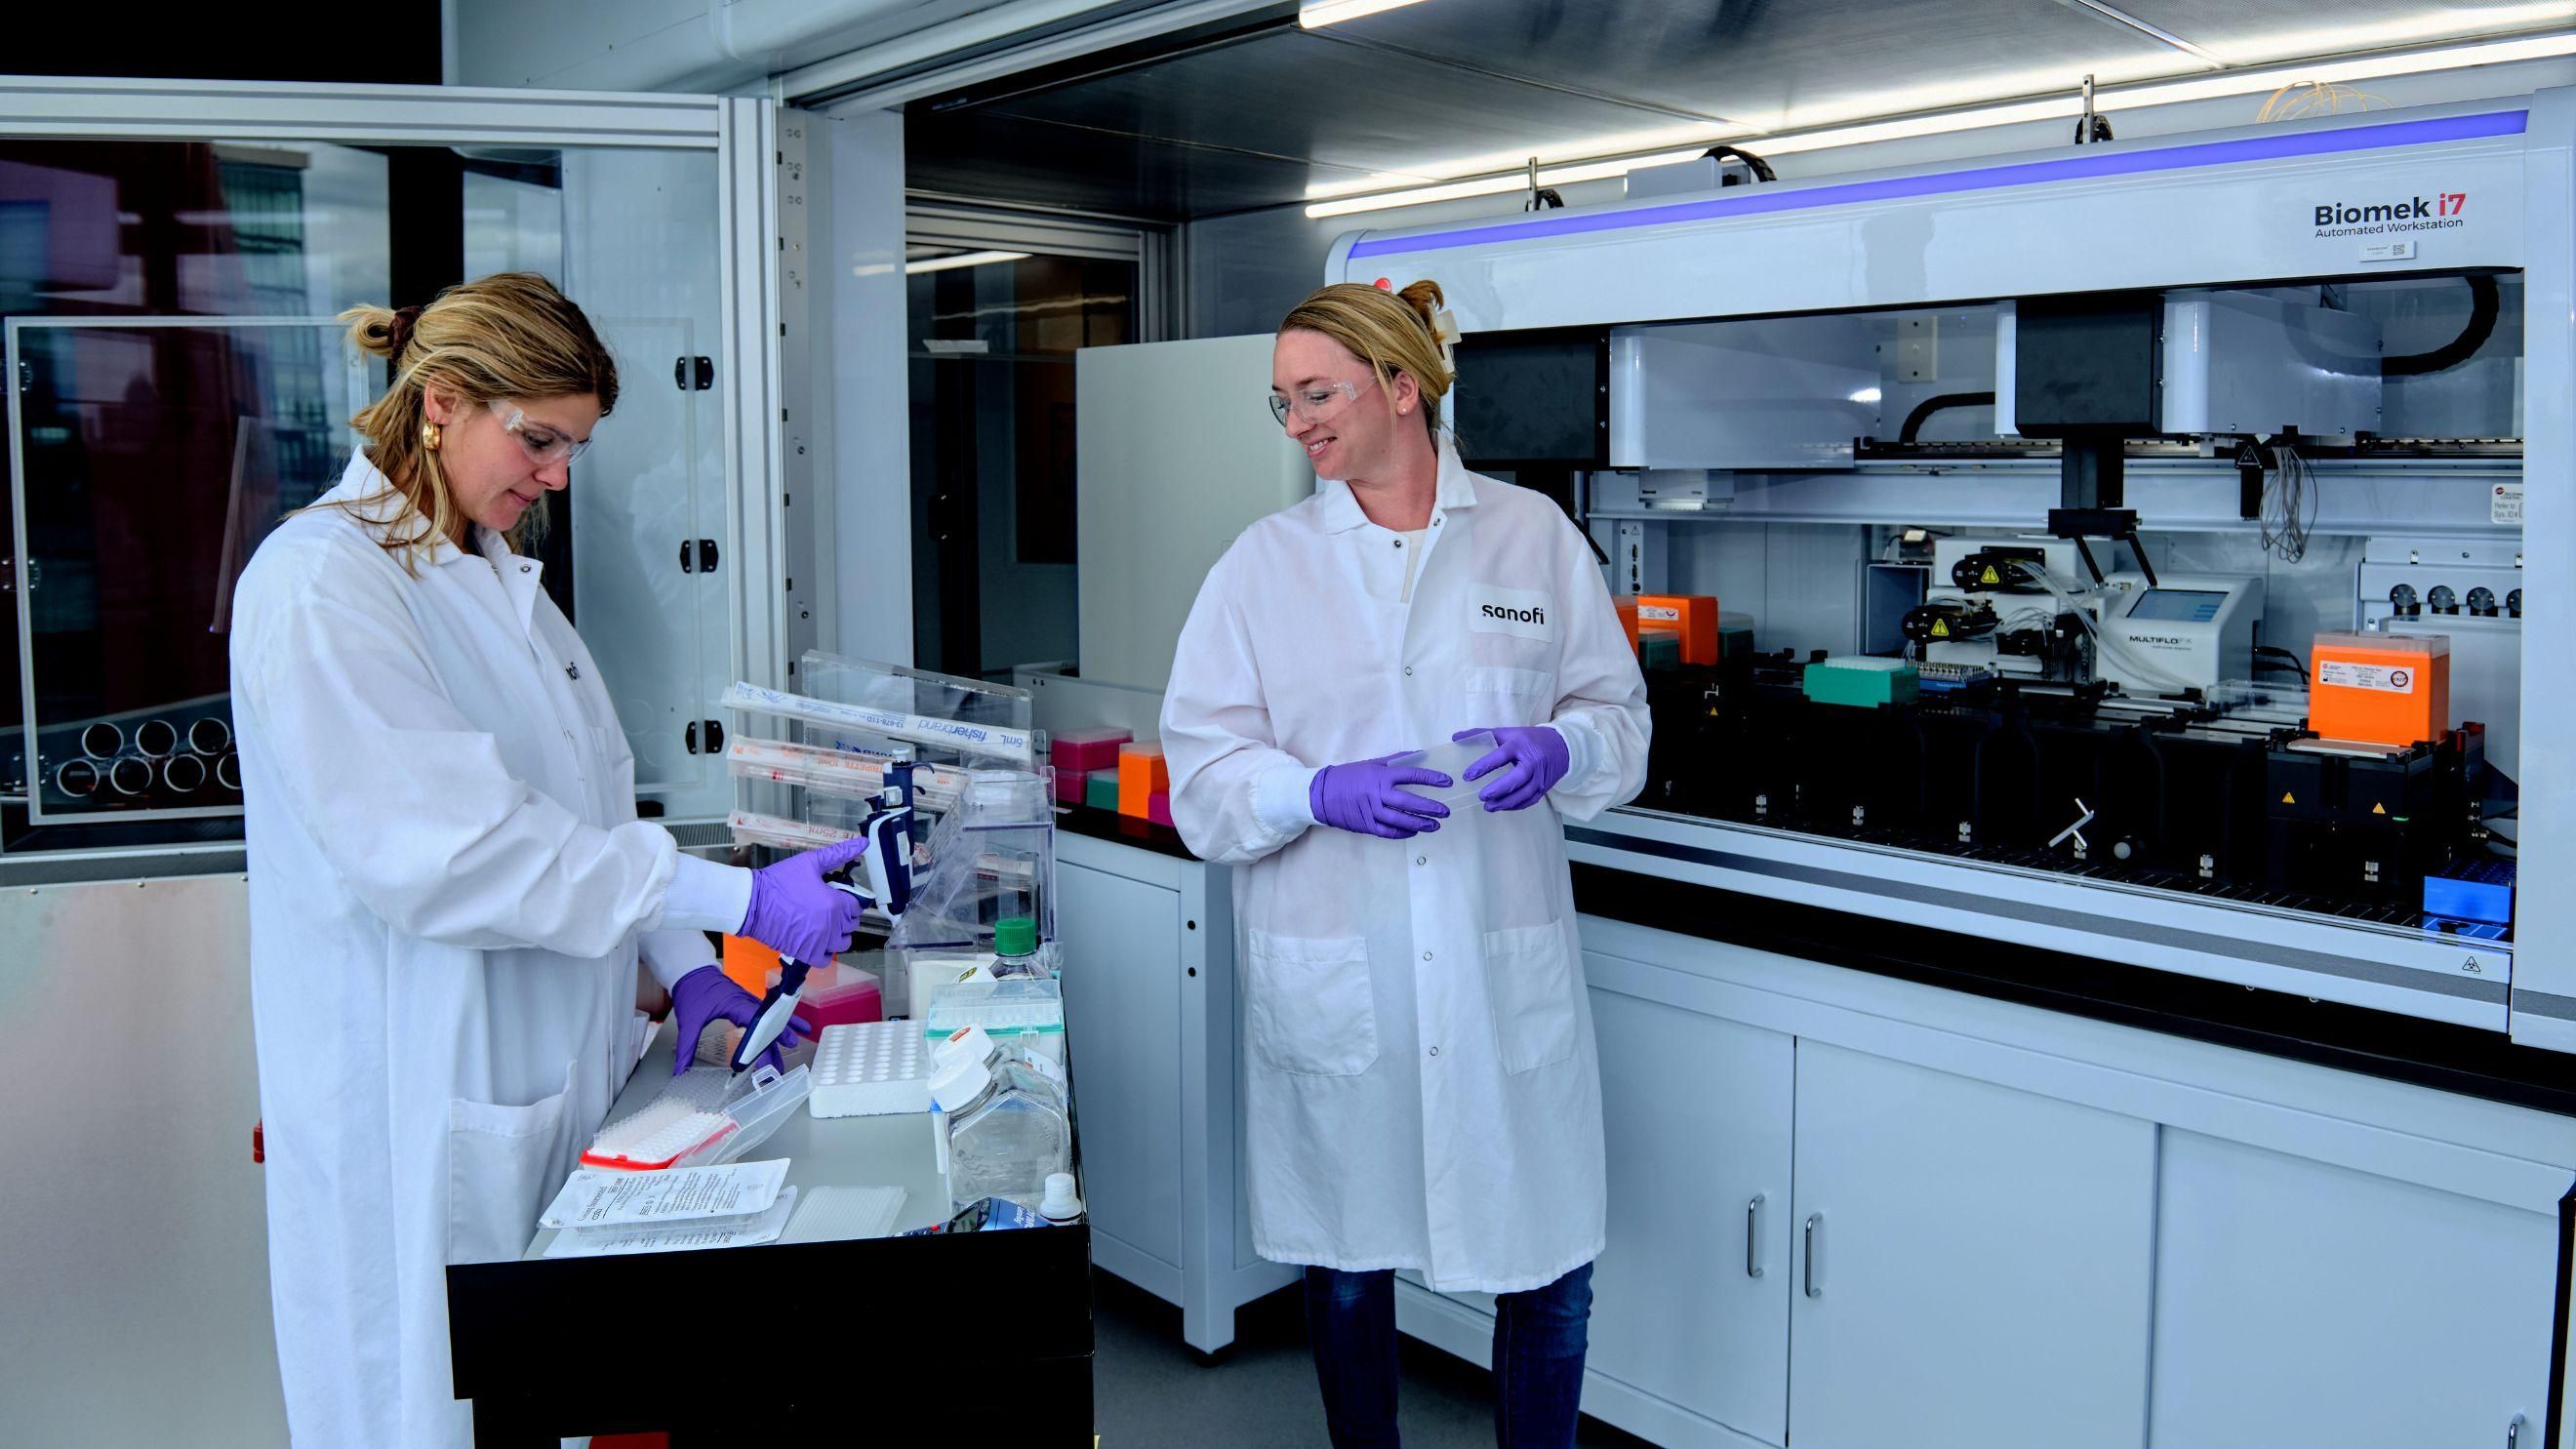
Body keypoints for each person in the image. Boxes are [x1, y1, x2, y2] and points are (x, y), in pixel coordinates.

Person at [228, 272, 867, 1449]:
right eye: (538, 440)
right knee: (429, 1408)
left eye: (573, 446)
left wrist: (684, 967)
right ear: (441, 404)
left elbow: (590, 817)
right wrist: (739, 900)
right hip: (422, 1100)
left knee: (545, 1403)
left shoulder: (500, 585)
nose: (558, 476)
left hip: (541, 1092)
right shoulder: (325, 584)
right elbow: (459, 856)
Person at [1161, 278, 1650, 1448]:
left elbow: (1617, 720)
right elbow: (1202, 776)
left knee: (1550, 1270)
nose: (1299, 424)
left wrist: (1563, 744)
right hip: (1344, 973)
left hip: (1499, 969)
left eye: (1317, 393)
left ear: (1402, 384)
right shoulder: (1261, 566)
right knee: (1346, 1267)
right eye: (1281, 404)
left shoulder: (1533, 536)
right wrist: (1312, 791)